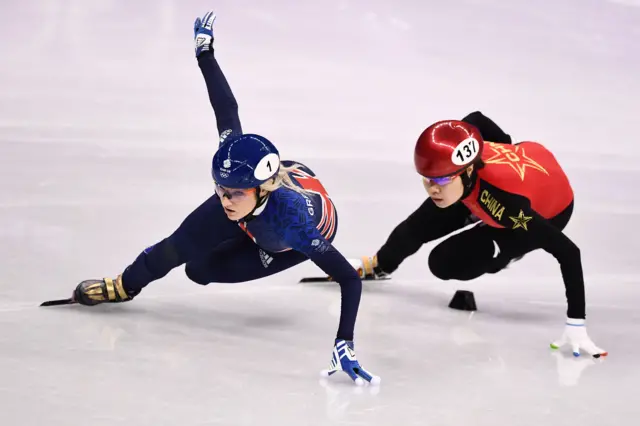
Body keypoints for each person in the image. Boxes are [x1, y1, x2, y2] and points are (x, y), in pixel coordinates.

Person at [69, 11, 379, 385]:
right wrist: (205, 52)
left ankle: (240, 233)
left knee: (200, 271)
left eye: (232, 192)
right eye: (219, 188)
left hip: (288, 237)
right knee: (177, 249)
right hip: (265, 200)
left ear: (261, 188)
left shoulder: (293, 224)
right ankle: (124, 286)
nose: (223, 198)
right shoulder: (235, 168)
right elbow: (225, 107)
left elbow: (349, 278)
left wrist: (343, 341)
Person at [351, 112, 607, 358]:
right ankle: (380, 266)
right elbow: (476, 119)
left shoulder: (508, 206)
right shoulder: (459, 158)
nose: (433, 189)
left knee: (444, 262)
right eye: (427, 180)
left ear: (468, 170)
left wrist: (576, 324)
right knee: (418, 225)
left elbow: (569, 252)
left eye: (440, 181)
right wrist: (506, 147)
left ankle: (502, 254)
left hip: (550, 208)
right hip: (513, 167)